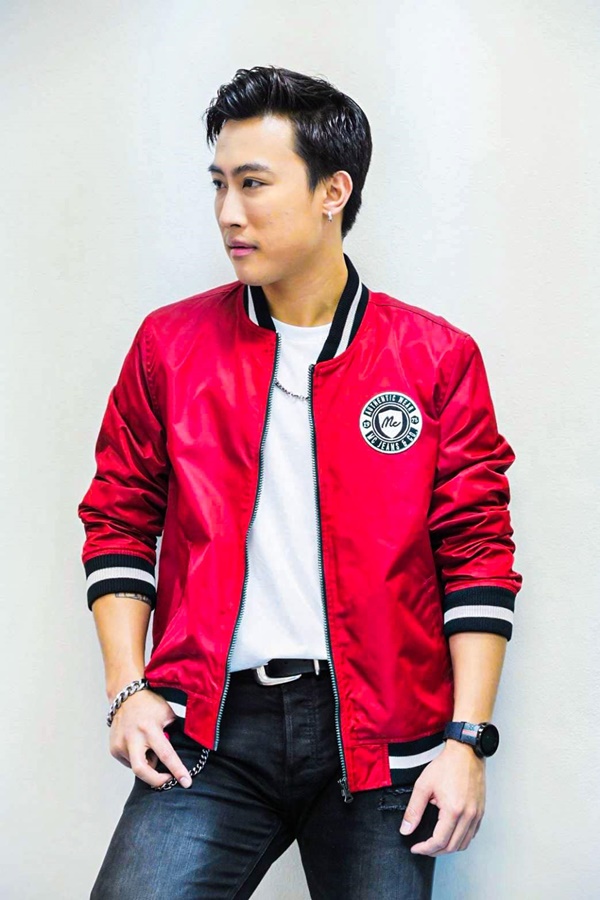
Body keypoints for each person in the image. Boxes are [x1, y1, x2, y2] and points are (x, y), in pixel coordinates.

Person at [77, 65, 523, 900]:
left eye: (253, 184)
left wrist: (467, 739)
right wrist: (127, 689)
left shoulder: (434, 358)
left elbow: (476, 554)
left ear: (333, 192)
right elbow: (120, 519)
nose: (228, 212)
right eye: (218, 184)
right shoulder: (171, 347)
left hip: (384, 740)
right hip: (210, 729)